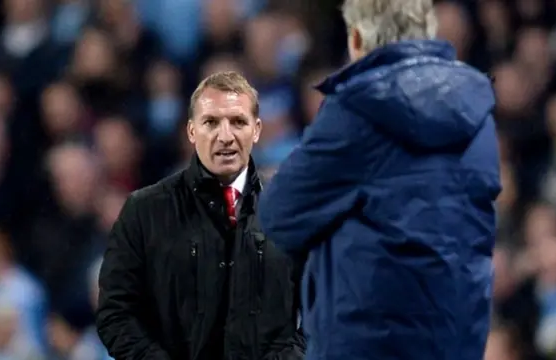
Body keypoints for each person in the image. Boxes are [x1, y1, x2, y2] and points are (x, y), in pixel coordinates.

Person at [258, 0, 501, 359]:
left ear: (357, 40)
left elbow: (277, 215)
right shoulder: (478, 112)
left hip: (367, 339)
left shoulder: (356, 108)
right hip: (458, 335)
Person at [97, 71, 306, 360]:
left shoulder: (292, 211)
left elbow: (321, 310)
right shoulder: (144, 211)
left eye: (237, 122)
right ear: (191, 131)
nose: (225, 136)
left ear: (256, 130)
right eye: (211, 122)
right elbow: (115, 314)